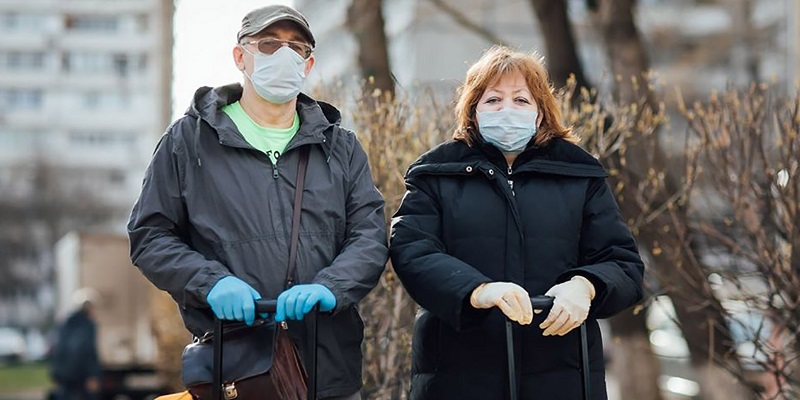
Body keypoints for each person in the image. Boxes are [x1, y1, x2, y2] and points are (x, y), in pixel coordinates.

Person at [127, 5, 387, 400]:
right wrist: (211, 283)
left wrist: (331, 287)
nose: (283, 55)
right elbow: (150, 236)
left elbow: (369, 236)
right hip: (237, 370)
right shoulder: (189, 141)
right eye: (268, 44)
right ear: (240, 57)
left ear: (308, 64)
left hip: (329, 370)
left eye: (296, 48)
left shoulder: (340, 146)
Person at [389, 46, 645, 399]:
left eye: (521, 100)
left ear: (540, 114)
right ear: (473, 111)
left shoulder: (580, 175)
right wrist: (477, 290)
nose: (506, 110)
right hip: (458, 373)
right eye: (493, 100)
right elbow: (411, 250)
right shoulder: (435, 174)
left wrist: (585, 286)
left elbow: (623, 262)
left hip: (562, 375)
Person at [50, 288, 101, 400]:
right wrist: (93, 374)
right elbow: (88, 350)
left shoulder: (65, 323)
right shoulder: (88, 325)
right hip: (81, 373)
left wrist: (56, 373)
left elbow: (58, 348)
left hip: (63, 373)